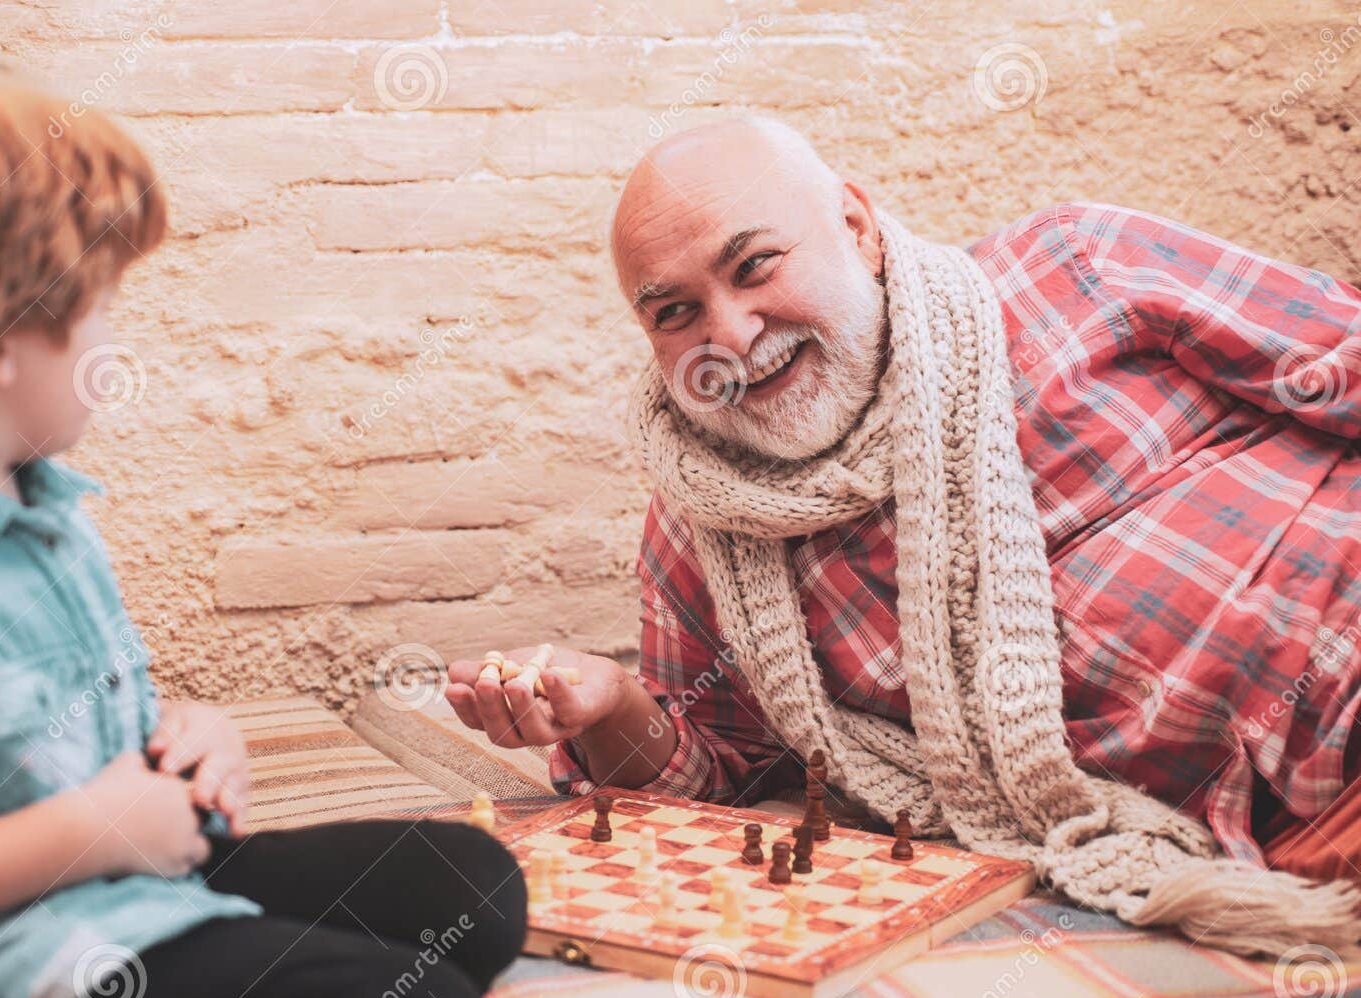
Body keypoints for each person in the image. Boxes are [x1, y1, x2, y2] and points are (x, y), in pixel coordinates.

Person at [446, 117, 1361, 954]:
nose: (730, 333)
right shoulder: (702, 534)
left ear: (856, 227)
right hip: (1289, 828)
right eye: (675, 312)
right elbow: (712, 774)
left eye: (755, 265)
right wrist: (610, 705)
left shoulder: (1076, 267)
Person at [0, 51, 524, 998]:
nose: (110, 343)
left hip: (129, 889)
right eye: (99, 308)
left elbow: (89, 746)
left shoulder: (47, 518)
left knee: (467, 882)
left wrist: (190, 742)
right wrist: (100, 829)